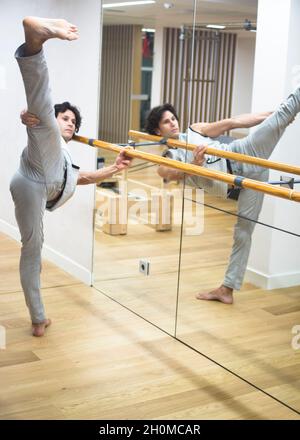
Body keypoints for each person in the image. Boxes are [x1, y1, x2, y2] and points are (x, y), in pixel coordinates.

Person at [10, 17, 131, 337]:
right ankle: (34, 43)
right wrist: (27, 117)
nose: (71, 124)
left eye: (74, 122)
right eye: (67, 118)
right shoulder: (48, 131)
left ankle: (38, 319)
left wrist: (113, 169)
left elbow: (77, 178)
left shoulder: (64, 155)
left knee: (33, 249)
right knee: (42, 118)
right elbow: (43, 118)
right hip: (30, 175)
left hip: (39, 184)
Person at [145, 99, 299, 304]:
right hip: (241, 183)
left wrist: (271, 115)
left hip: (244, 154)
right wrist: (193, 164)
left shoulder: (195, 130)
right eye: (166, 122)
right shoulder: (167, 159)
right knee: (242, 234)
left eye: (173, 118)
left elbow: (233, 122)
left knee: (284, 113)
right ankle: (227, 289)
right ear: (157, 131)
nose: (173, 123)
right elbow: (171, 174)